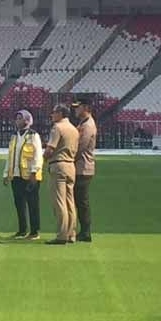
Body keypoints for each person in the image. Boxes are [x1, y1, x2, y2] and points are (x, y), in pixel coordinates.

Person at [3, 109, 43, 240]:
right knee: (19, 203)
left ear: (27, 120)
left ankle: (34, 231)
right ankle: (22, 230)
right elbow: (10, 156)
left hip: (29, 175)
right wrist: (6, 173)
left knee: (32, 204)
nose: (17, 121)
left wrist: (34, 172)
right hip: (16, 175)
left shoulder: (33, 135)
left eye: (20, 118)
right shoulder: (14, 136)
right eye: (16, 118)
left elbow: (37, 156)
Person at [43, 104, 79, 245]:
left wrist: (43, 159)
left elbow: (50, 149)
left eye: (53, 112)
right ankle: (71, 233)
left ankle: (61, 235)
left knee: (59, 202)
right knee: (70, 202)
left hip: (58, 165)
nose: (51, 115)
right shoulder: (74, 129)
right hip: (71, 165)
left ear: (60, 113)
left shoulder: (57, 128)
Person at [73, 101, 97, 244]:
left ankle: (85, 231)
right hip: (81, 166)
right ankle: (83, 230)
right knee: (80, 200)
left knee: (81, 201)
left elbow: (80, 145)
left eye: (79, 107)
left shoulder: (87, 125)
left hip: (82, 167)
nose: (76, 109)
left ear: (86, 108)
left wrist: (68, 158)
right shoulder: (84, 123)